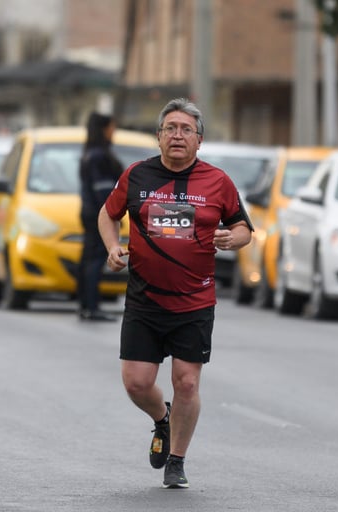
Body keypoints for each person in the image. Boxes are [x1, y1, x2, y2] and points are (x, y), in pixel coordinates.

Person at [97, 98, 252, 488]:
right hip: (144, 299)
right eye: (171, 128)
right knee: (135, 382)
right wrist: (112, 247)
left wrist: (231, 239)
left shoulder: (218, 182)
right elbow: (107, 213)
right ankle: (161, 420)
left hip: (194, 301)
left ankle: (177, 460)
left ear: (199, 141)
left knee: (186, 382)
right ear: (159, 137)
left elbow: (244, 229)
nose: (178, 135)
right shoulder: (136, 176)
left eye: (186, 129)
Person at [77, 111, 124, 321]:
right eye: (112, 127)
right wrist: (112, 214)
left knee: (88, 259)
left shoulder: (89, 153)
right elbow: (103, 190)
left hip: (89, 211)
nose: (114, 132)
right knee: (95, 260)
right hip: (97, 212)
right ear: (105, 129)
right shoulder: (99, 156)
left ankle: (86, 305)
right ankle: (92, 306)